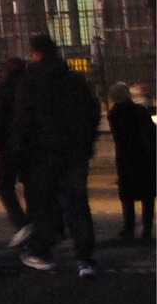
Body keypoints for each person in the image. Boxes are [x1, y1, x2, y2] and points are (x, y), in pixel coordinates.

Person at [10, 34, 100, 277]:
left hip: (42, 154)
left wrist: (19, 155)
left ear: (35, 53)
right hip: (74, 153)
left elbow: (22, 122)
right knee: (78, 205)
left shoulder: (29, 82)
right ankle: (84, 258)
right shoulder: (74, 80)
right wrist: (86, 144)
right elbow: (92, 113)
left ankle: (43, 250)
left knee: (44, 205)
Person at [0, 56, 32, 247]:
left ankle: (21, 222)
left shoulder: (3, 90)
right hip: (31, 144)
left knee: (4, 184)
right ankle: (34, 221)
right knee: (31, 184)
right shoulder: (32, 88)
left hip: (9, 146)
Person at [105, 82, 153, 242]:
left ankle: (128, 227)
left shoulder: (114, 114)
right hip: (144, 157)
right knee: (147, 195)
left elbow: (119, 138)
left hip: (126, 158)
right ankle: (146, 229)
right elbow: (151, 133)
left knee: (127, 196)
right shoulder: (140, 111)